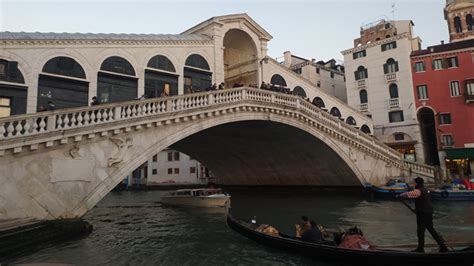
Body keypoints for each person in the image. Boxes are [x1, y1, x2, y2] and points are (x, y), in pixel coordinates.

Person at [397, 177, 449, 253]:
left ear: (417, 183)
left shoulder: (418, 190)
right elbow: (423, 201)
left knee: (423, 231)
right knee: (426, 230)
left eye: (414, 182)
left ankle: (424, 248)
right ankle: (438, 247)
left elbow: (409, 195)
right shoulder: (425, 190)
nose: (413, 184)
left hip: (423, 213)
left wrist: (399, 195)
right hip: (426, 212)